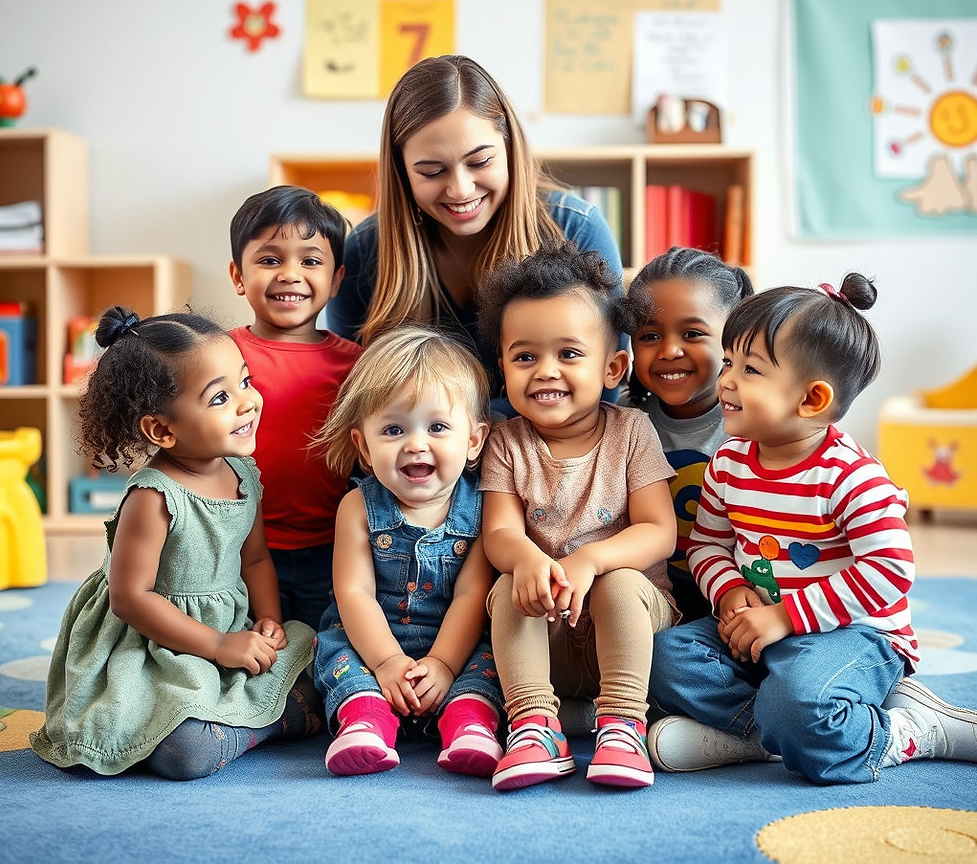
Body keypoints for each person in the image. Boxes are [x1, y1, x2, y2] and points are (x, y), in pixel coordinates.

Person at [647, 275, 977, 784]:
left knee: (800, 703)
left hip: (854, 633)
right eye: (729, 362)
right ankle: (769, 737)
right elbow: (708, 543)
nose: (726, 380)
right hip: (763, 630)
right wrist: (730, 591)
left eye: (750, 369)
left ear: (812, 399)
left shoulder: (851, 476)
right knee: (661, 659)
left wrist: (786, 616)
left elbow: (890, 570)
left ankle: (912, 730)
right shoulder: (729, 462)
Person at [30, 307, 321, 779]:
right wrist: (218, 645)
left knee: (319, 659)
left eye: (245, 382)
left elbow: (255, 559)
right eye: (221, 397)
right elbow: (130, 599)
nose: (248, 402)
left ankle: (253, 716)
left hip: (227, 627)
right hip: (152, 644)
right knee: (184, 751)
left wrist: (268, 617)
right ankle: (261, 725)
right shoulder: (154, 497)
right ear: (162, 430)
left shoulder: (244, 474)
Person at [477, 241, 678, 791]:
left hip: (631, 630)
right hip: (549, 636)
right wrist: (528, 561)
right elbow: (499, 531)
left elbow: (659, 531)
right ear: (503, 368)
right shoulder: (507, 442)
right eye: (525, 357)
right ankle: (534, 725)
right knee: (509, 588)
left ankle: (623, 727)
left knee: (619, 584)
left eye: (569, 354)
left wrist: (591, 559)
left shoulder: (631, 431)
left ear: (613, 367)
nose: (546, 371)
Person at [327, 54, 623, 409]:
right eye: (432, 172)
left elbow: (603, 394)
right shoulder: (363, 252)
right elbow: (355, 400)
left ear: (510, 149)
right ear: (402, 173)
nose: (461, 190)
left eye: (480, 162)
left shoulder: (576, 229)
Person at [309, 326, 505, 777]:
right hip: (372, 640)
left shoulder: (483, 506)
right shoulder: (357, 506)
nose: (416, 444)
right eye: (394, 429)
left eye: (437, 427)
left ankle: (469, 723)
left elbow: (472, 595)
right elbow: (354, 593)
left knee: (494, 656)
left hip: (454, 643)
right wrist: (386, 661)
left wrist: (443, 664)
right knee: (336, 652)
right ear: (363, 445)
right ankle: (365, 720)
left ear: (473, 440)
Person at [228, 185, 362, 628]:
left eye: (310, 261)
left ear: (336, 279)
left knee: (324, 644)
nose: (290, 274)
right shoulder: (220, 355)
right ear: (238, 276)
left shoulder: (357, 364)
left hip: (333, 545)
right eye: (269, 260)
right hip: (238, 542)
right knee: (252, 642)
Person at [624, 246, 753, 622]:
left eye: (693, 333)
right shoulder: (622, 423)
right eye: (649, 336)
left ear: (734, 338)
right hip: (652, 605)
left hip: (743, 604)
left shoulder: (758, 429)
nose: (669, 350)